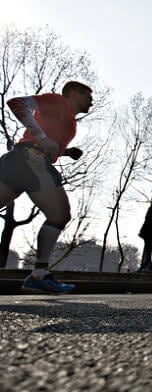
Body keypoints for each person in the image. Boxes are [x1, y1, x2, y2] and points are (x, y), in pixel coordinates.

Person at [2, 81, 93, 294]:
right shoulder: (58, 102)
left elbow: (45, 141)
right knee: (59, 215)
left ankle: (39, 276)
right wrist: (42, 138)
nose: (91, 101)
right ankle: (39, 276)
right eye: (88, 95)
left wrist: (66, 152)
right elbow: (16, 103)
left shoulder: (68, 120)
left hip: (18, 160)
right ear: (73, 93)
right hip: (32, 160)